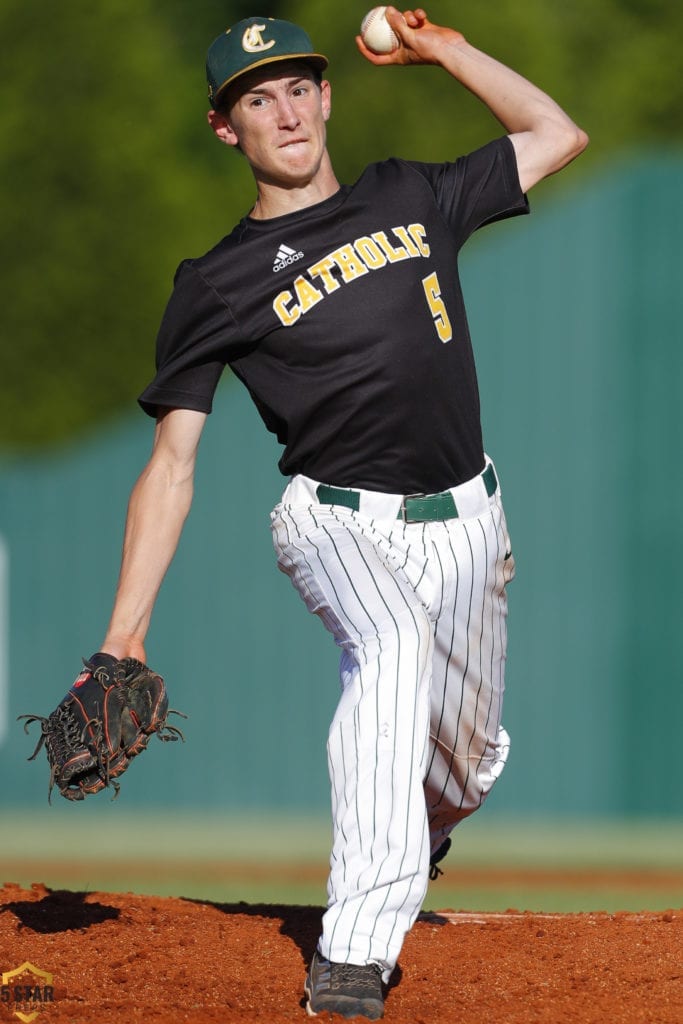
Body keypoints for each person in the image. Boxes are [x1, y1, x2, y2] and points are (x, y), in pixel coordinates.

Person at [100, 8, 587, 1018]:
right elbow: (172, 464)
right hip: (335, 518)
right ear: (223, 127)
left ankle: (417, 830)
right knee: (391, 650)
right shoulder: (217, 283)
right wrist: (123, 634)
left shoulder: (408, 193)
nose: (282, 110)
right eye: (254, 97)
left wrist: (443, 50)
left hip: (466, 520)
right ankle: (353, 954)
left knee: (466, 762)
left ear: (324, 96)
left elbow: (554, 136)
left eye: (294, 86)